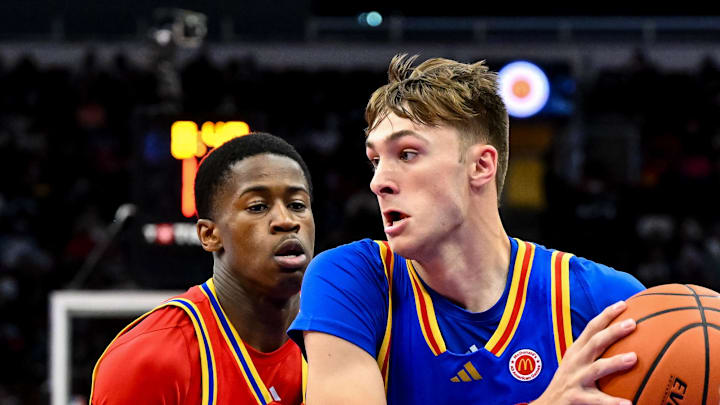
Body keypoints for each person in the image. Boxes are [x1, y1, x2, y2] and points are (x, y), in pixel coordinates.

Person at [288, 55, 646, 405]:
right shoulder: (352, 279)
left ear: (480, 165)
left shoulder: (603, 302)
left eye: (407, 154)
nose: (378, 182)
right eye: (376, 161)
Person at [91, 133, 315, 405]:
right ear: (209, 235)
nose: (286, 220)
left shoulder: (343, 341)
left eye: (297, 205)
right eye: (258, 206)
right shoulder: (149, 359)